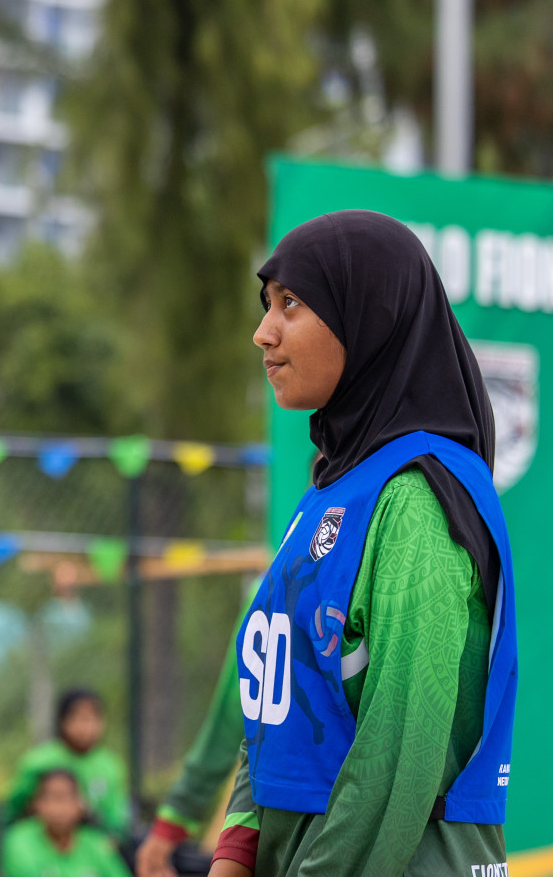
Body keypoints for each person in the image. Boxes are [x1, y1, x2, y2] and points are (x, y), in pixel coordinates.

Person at [210, 211, 516, 876]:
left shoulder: (418, 499)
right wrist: (237, 849)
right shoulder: (333, 491)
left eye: (290, 303)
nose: (264, 332)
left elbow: (397, 763)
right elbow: (280, 704)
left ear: (367, 314)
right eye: (267, 305)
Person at [135, 590, 255, 877]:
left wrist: (177, 814)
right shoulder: (280, 578)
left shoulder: (283, 575)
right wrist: (177, 814)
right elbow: (240, 709)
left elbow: (236, 711)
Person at [5, 691, 129, 841]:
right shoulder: (38, 762)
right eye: (81, 719)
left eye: (93, 719)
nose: (87, 727)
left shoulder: (111, 765)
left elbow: (117, 820)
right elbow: (12, 810)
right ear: (63, 721)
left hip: (93, 846)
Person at [0, 769, 129, 877]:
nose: (58, 808)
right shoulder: (19, 840)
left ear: (81, 805)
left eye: (65, 798)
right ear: (36, 804)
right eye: (51, 798)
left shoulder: (96, 843)